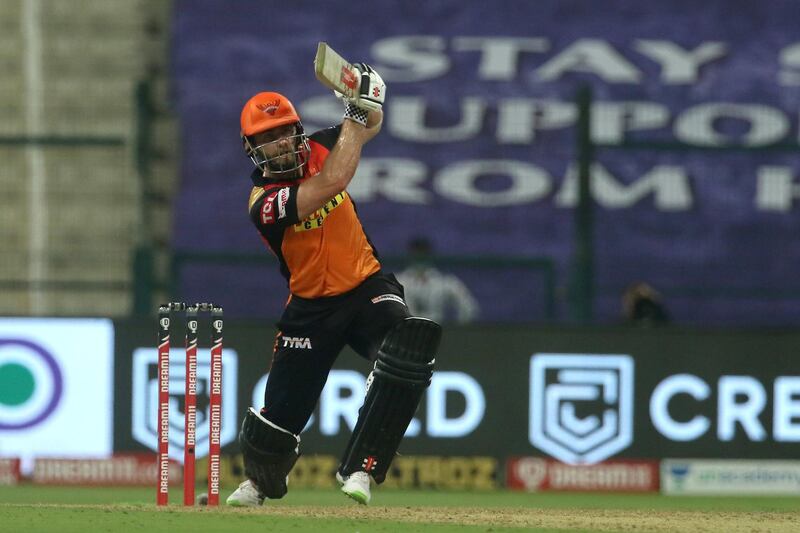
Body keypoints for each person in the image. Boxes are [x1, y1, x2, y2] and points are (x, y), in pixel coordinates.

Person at [226, 64, 441, 507]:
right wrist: (356, 119)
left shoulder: (324, 145)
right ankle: (261, 484)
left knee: (406, 349)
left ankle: (361, 469)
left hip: (367, 288)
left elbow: (371, 124)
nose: (280, 143)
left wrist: (368, 100)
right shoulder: (264, 203)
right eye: (267, 137)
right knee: (279, 417)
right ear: (251, 148)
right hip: (310, 307)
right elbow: (333, 182)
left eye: (285, 132)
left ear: (298, 130)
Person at [395, 237, 479, 324]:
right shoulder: (398, 281)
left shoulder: (445, 282)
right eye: (417, 254)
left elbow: (469, 307)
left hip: (437, 331)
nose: (420, 257)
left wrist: (457, 331)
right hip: (405, 332)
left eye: (423, 254)